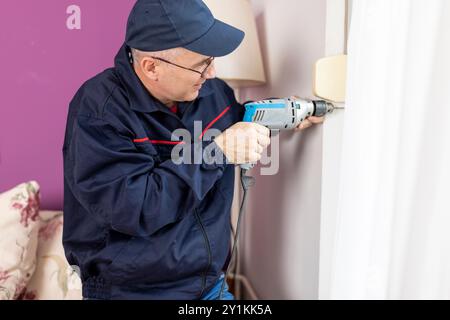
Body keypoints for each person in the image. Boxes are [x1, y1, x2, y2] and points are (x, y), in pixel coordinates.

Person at [62, 0, 323, 300]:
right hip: (131, 292)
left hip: (209, 286)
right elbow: (138, 206)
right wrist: (218, 151)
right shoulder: (99, 110)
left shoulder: (213, 93)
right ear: (152, 67)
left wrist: (283, 116)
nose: (211, 73)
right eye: (201, 64)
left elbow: (239, 121)